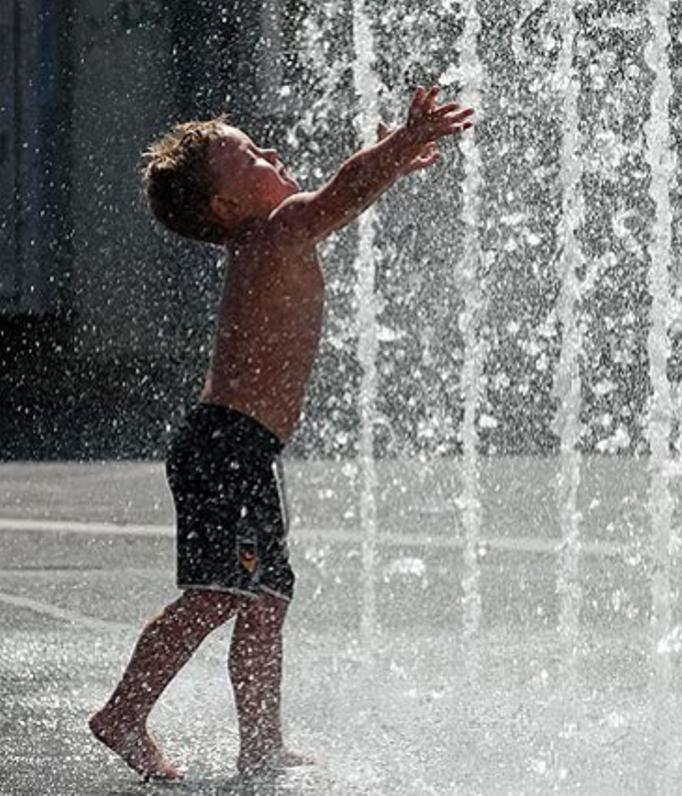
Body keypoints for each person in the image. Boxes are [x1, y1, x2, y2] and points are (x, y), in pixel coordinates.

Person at [89, 86, 474, 781]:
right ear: (227, 207)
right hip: (225, 447)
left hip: (243, 449)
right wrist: (395, 147)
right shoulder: (275, 229)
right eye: (252, 157)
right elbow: (340, 193)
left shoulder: (266, 235)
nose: (271, 153)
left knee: (264, 599)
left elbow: (345, 194)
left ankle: (261, 742)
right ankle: (124, 713)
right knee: (219, 594)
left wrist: (390, 161)